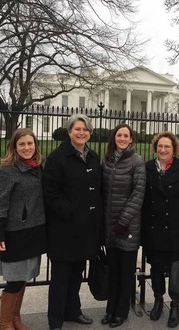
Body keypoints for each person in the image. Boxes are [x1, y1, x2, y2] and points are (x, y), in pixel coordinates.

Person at [43, 113, 103, 330]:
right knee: (60, 279)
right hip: (64, 229)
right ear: (69, 132)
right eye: (77, 129)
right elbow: (51, 194)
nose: (82, 132)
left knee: (77, 275)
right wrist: (71, 211)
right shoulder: (57, 158)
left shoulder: (93, 157)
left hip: (86, 229)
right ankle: (56, 320)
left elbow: (97, 191)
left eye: (85, 129)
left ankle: (73, 310)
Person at [141, 131, 179, 328]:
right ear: (155, 148)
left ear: (174, 149)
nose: (163, 149)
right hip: (153, 228)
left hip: (175, 228)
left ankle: (175, 304)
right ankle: (158, 300)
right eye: (160, 146)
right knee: (155, 268)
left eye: (167, 147)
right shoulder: (147, 167)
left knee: (175, 270)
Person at [0, 128, 47, 330]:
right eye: (22, 144)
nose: (27, 148)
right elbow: (1, 203)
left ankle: (16, 318)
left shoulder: (39, 167)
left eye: (30, 143)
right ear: (14, 147)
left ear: (35, 145)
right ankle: (4, 322)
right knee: (14, 279)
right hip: (14, 233)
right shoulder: (7, 170)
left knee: (23, 278)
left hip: (34, 231)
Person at [101, 123, 146, 328]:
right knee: (113, 271)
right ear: (114, 137)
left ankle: (121, 312)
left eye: (126, 135)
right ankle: (110, 309)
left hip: (127, 226)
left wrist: (122, 221)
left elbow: (138, 194)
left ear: (131, 139)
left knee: (126, 271)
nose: (122, 138)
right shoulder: (108, 160)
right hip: (110, 226)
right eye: (119, 135)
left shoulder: (136, 161)